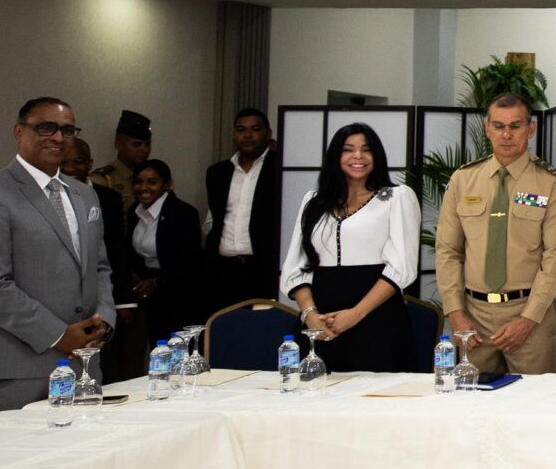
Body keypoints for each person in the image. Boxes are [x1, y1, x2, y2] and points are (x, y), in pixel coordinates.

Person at [0, 98, 114, 415]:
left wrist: (103, 321)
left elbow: (100, 268)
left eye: (67, 130)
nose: (58, 137)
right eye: (46, 127)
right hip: (10, 373)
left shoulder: (84, 193)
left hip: (81, 366)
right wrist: (58, 335)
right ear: (19, 131)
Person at [434, 92, 556, 377]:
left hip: (529, 315)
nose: (506, 134)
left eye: (515, 125)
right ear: (487, 128)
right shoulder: (464, 179)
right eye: (499, 126)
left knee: (531, 408)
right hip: (472, 318)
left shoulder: (550, 181)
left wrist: (527, 319)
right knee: (471, 405)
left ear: (530, 128)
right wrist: (456, 313)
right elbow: (448, 251)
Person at [282, 122, 419, 374]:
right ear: (336, 156)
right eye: (348, 149)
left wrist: (355, 314)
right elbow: (296, 265)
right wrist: (310, 315)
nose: (358, 156)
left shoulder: (397, 197)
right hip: (320, 322)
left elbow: (402, 267)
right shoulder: (313, 201)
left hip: (377, 318)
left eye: (366, 150)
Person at [204, 107, 281, 313]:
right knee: (225, 331)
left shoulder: (280, 168)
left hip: (263, 268)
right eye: (240, 129)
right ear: (233, 134)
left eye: (255, 129)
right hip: (223, 268)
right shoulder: (217, 172)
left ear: (268, 133)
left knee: (262, 332)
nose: (247, 135)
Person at [127, 159, 205, 339]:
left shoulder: (183, 213)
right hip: (149, 297)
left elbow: (188, 261)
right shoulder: (134, 211)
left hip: (179, 295)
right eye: (139, 182)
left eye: (152, 182)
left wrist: (156, 282)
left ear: (167, 184)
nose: (143, 187)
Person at [62, 136, 131, 293]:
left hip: (102, 287)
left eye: (78, 162)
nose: (70, 169)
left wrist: (124, 301)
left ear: (90, 164)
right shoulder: (48, 196)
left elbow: (117, 250)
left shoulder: (109, 199)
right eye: (63, 163)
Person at [90, 109, 151, 198]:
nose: (145, 150)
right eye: (137, 144)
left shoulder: (151, 179)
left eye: (148, 144)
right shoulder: (102, 180)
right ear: (118, 144)